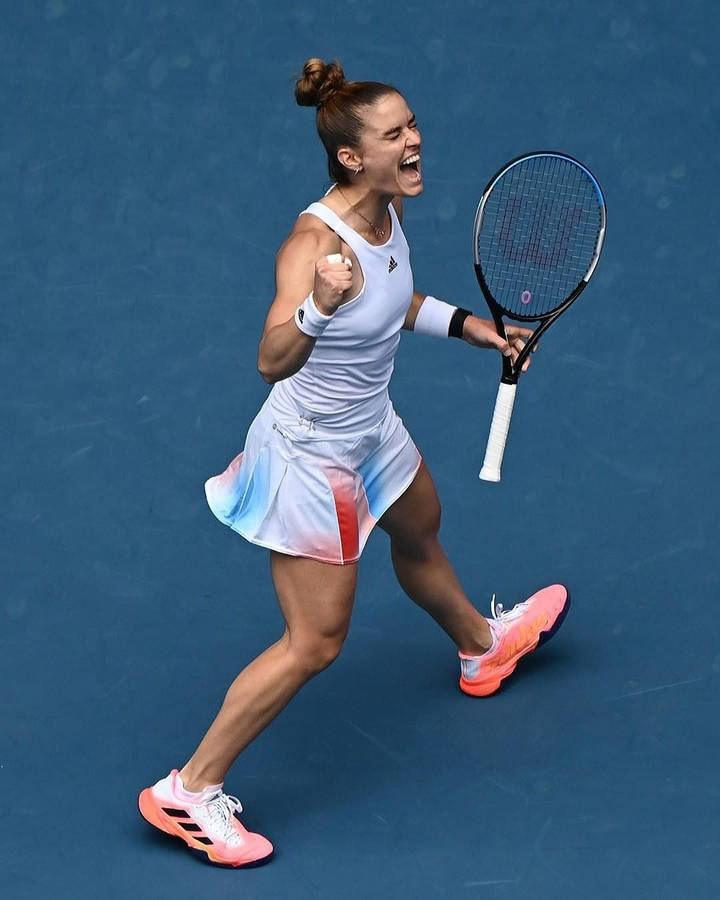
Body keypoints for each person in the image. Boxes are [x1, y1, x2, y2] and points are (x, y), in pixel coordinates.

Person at [138, 58, 570, 868]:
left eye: (413, 125)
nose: (414, 141)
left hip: (371, 429)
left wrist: (473, 329)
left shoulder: (386, 214)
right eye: (394, 134)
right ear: (350, 157)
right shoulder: (312, 245)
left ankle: (481, 646)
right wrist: (317, 305)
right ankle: (188, 791)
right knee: (314, 642)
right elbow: (271, 358)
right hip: (312, 457)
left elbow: (393, 302)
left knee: (421, 529)